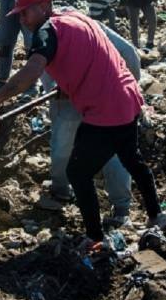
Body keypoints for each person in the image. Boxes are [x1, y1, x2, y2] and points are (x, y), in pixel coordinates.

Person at [0, 0, 166, 246]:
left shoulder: (45, 33)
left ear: (44, 7)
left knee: (77, 172)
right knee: (132, 159)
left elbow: (30, 72)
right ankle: (158, 216)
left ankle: (95, 237)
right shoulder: (76, 18)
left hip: (104, 109)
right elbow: (92, 59)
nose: (22, 20)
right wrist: (68, 89)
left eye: (25, 13)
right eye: (18, 14)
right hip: (128, 98)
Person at [39, 21, 141, 220]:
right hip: (99, 98)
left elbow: (46, 76)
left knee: (64, 144)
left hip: (86, 98)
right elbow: (130, 54)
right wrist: (130, 87)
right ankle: (121, 208)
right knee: (110, 149)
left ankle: (62, 189)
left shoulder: (47, 35)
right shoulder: (89, 27)